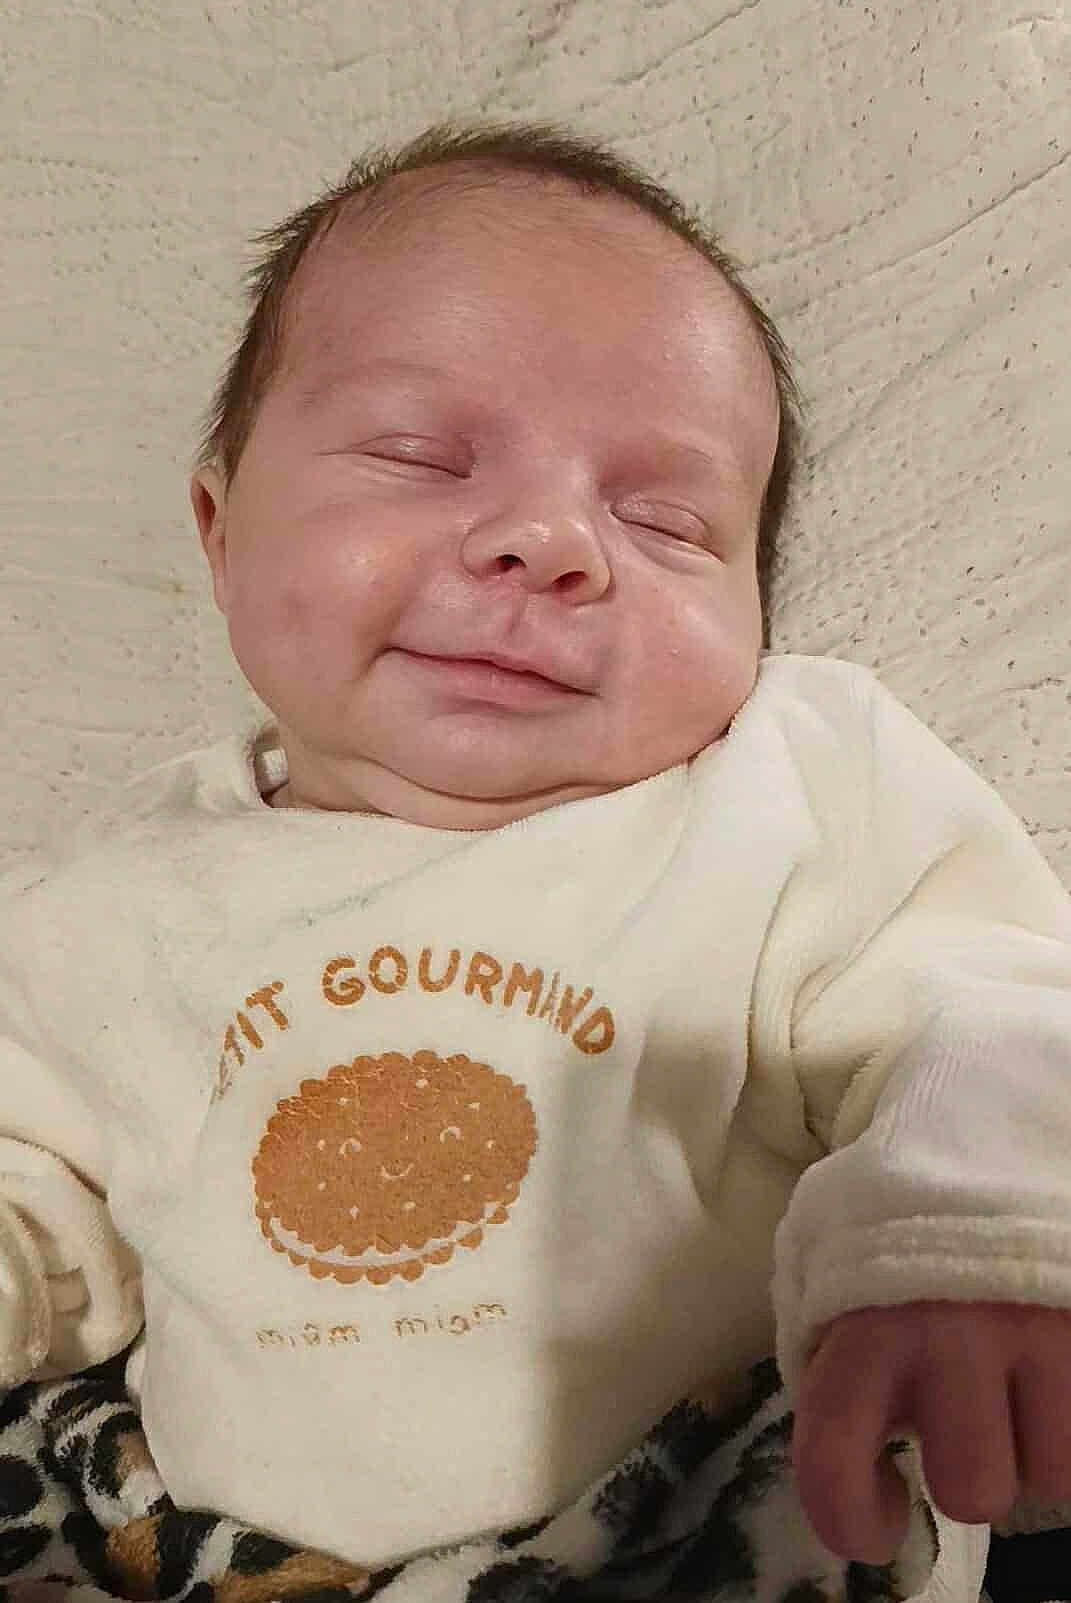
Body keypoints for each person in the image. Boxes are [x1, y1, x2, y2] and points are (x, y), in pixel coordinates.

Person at [1, 121, 1068, 1601]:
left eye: (666, 518)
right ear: (218, 528)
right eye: (420, 457)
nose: (550, 542)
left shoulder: (784, 790)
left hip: (713, 1517)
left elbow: (990, 1010)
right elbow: (41, 1185)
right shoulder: (107, 902)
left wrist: (969, 1242)